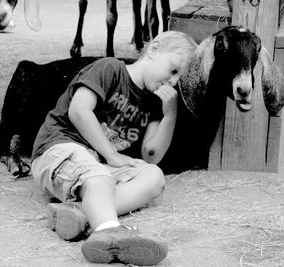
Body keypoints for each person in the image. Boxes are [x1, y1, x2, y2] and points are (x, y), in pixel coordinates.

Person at [31, 31, 197, 265]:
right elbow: (78, 111)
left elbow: (151, 155)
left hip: (96, 167)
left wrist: (170, 114)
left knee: (154, 176)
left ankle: (79, 213)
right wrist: (111, 154)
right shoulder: (110, 68)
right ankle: (110, 232)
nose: (173, 81)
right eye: (173, 70)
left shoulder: (152, 102)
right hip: (60, 149)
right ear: (154, 49)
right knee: (98, 174)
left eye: (178, 79)